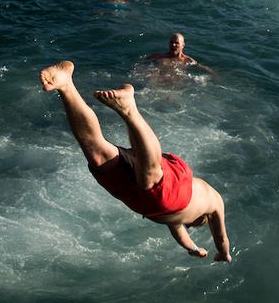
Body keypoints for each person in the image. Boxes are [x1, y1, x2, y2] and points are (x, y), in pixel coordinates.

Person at [38, 61, 230, 261]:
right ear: (199, 220)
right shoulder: (211, 205)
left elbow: (182, 237)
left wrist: (194, 249)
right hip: (174, 193)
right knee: (151, 178)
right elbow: (221, 236)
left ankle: (66, 85)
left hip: (147, 194)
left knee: (96, 151)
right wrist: (224, 253)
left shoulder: (179, 219)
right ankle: (130, 110)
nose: (186, 225)